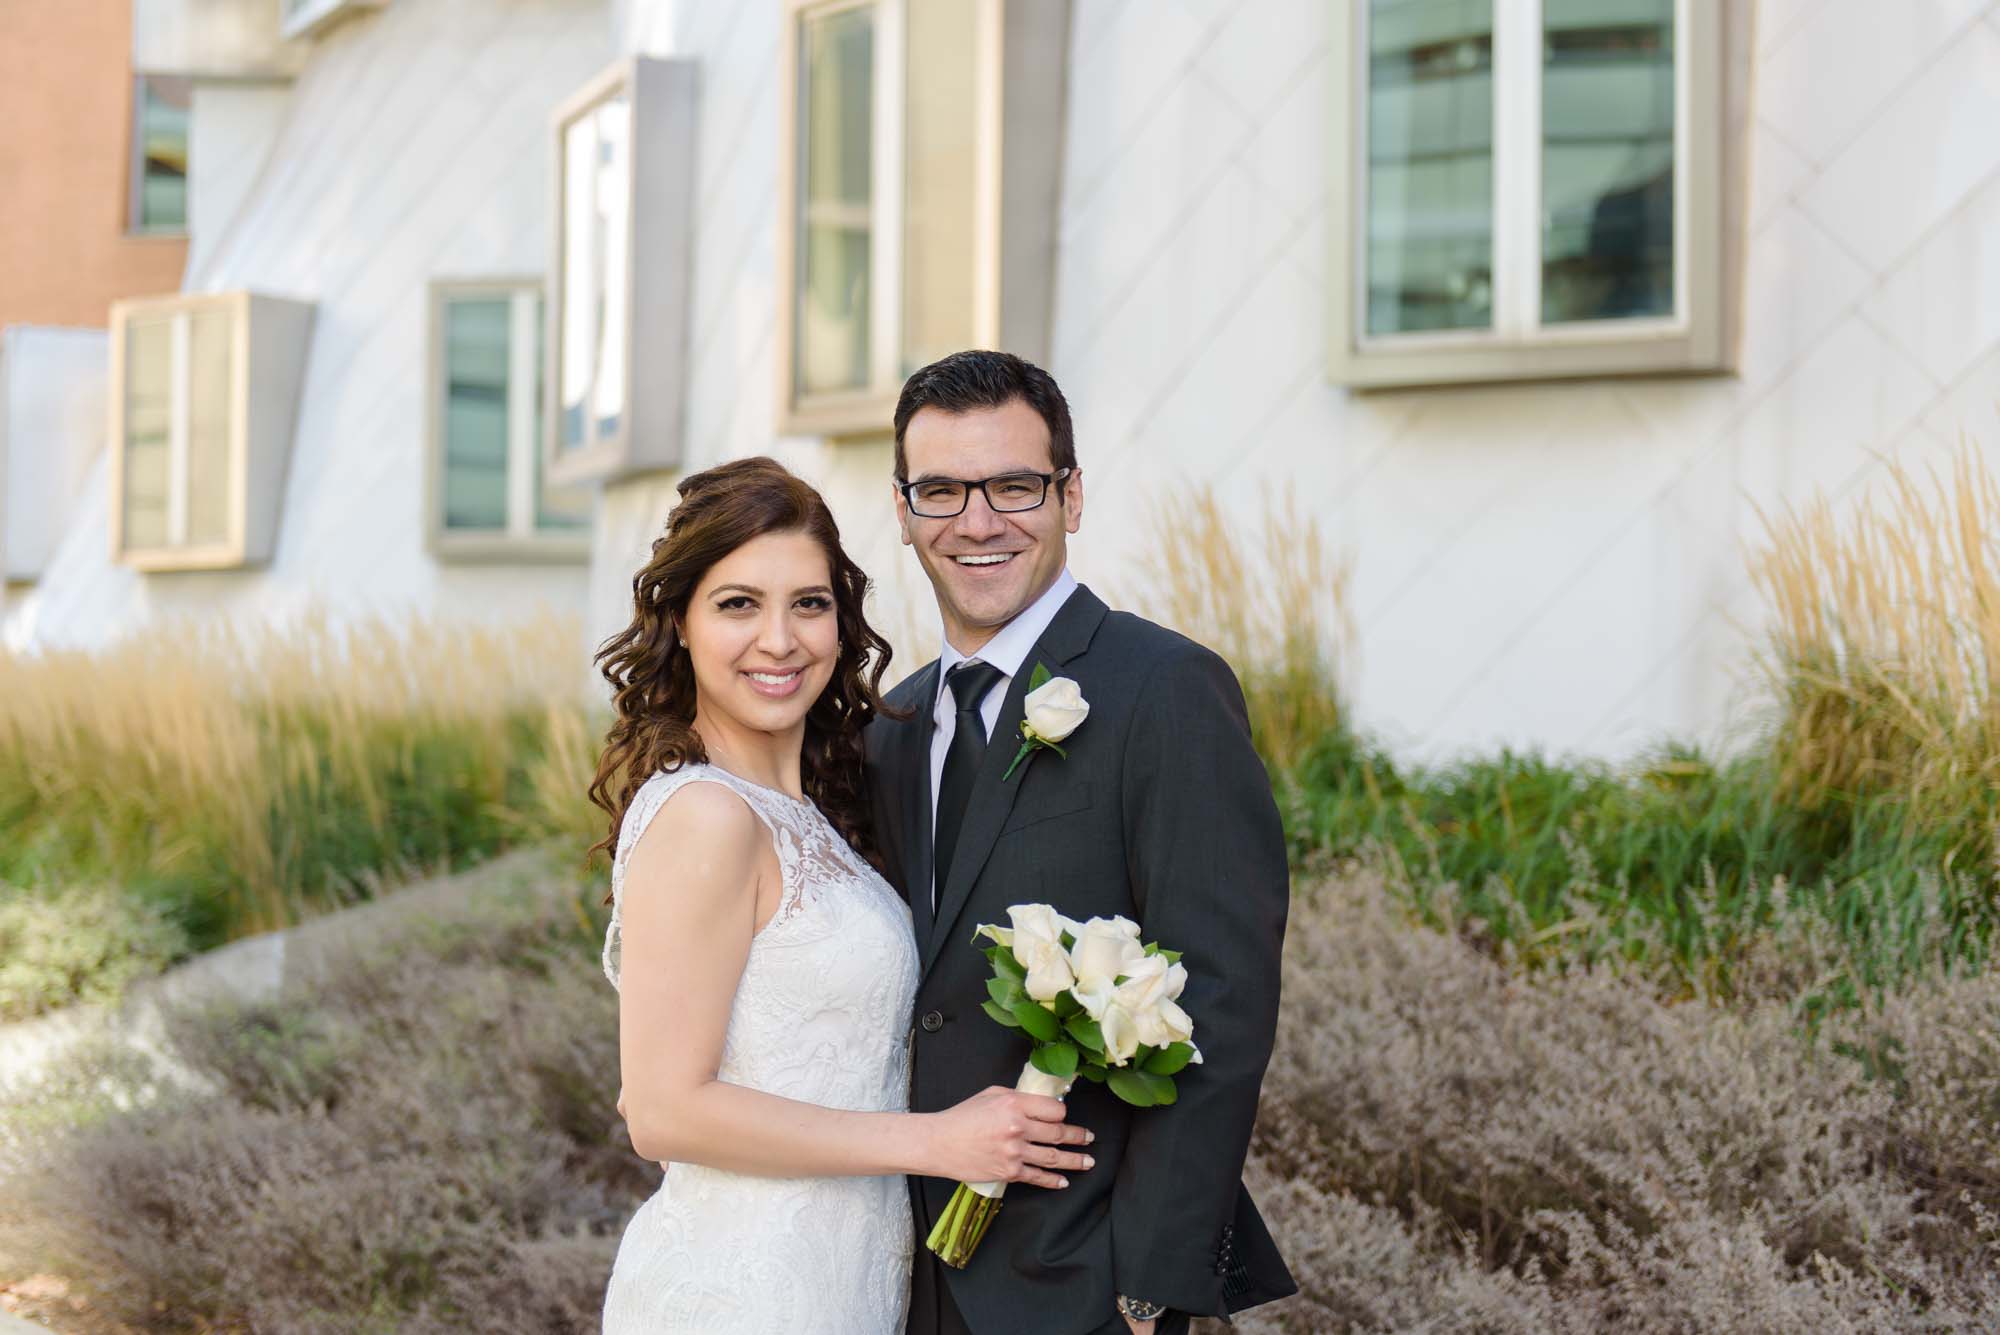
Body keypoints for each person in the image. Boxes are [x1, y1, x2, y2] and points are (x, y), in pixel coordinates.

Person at [592, 457, 1097, 1334]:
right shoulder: (705, 813)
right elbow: (662, 1109)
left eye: (809, 603)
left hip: (842, 1287)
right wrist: (937, 1140)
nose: (780, 639)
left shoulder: (814, 813)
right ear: (680, 621)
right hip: (739, 1294)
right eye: (738, 603)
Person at [864, 351, 1297, 1335]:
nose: (977, 522)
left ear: (1071, 496)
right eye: (941, 491)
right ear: (902, 511)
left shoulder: (1164, 690)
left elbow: (1222, 996)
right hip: (898, 1280)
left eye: (1013, 485)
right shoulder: (888, 728)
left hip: (1083, 1283)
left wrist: (1148, 1287)